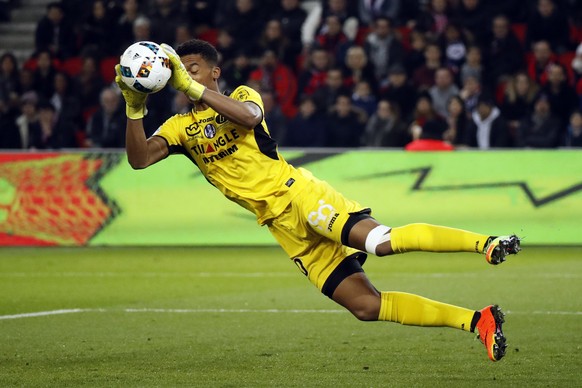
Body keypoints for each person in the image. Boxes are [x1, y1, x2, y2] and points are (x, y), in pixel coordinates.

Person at [114, 38, 521, 362]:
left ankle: (485, 243)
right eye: (177, 72)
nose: (183, 76)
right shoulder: (180, 126)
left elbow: (250, 118)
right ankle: (478, 321)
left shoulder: (241, 93)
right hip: (282, 226)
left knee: (380, 242)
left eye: (193, 68)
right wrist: (135, 109)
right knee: (364, 305)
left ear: (213, 72)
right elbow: (139, 159)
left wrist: (190, 85)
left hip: (301, 196)